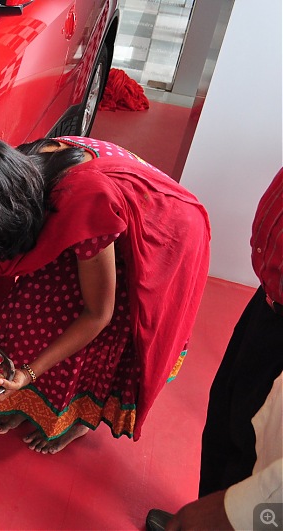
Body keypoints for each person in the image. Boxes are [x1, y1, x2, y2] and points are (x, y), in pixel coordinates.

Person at [0, 136, 211, 454]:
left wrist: (28, 373)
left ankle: (79, 421)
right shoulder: (10, 174)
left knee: (100, 333)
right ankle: (27, 405)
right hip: (95, 216)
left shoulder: (83, 201)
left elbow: (98, 314)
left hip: (159, 235)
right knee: (31, 309)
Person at [146, 167, 283, 530]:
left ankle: (224, 520)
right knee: (226, 409)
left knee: (254, 437)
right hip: (269, 298)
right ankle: (204, 514)